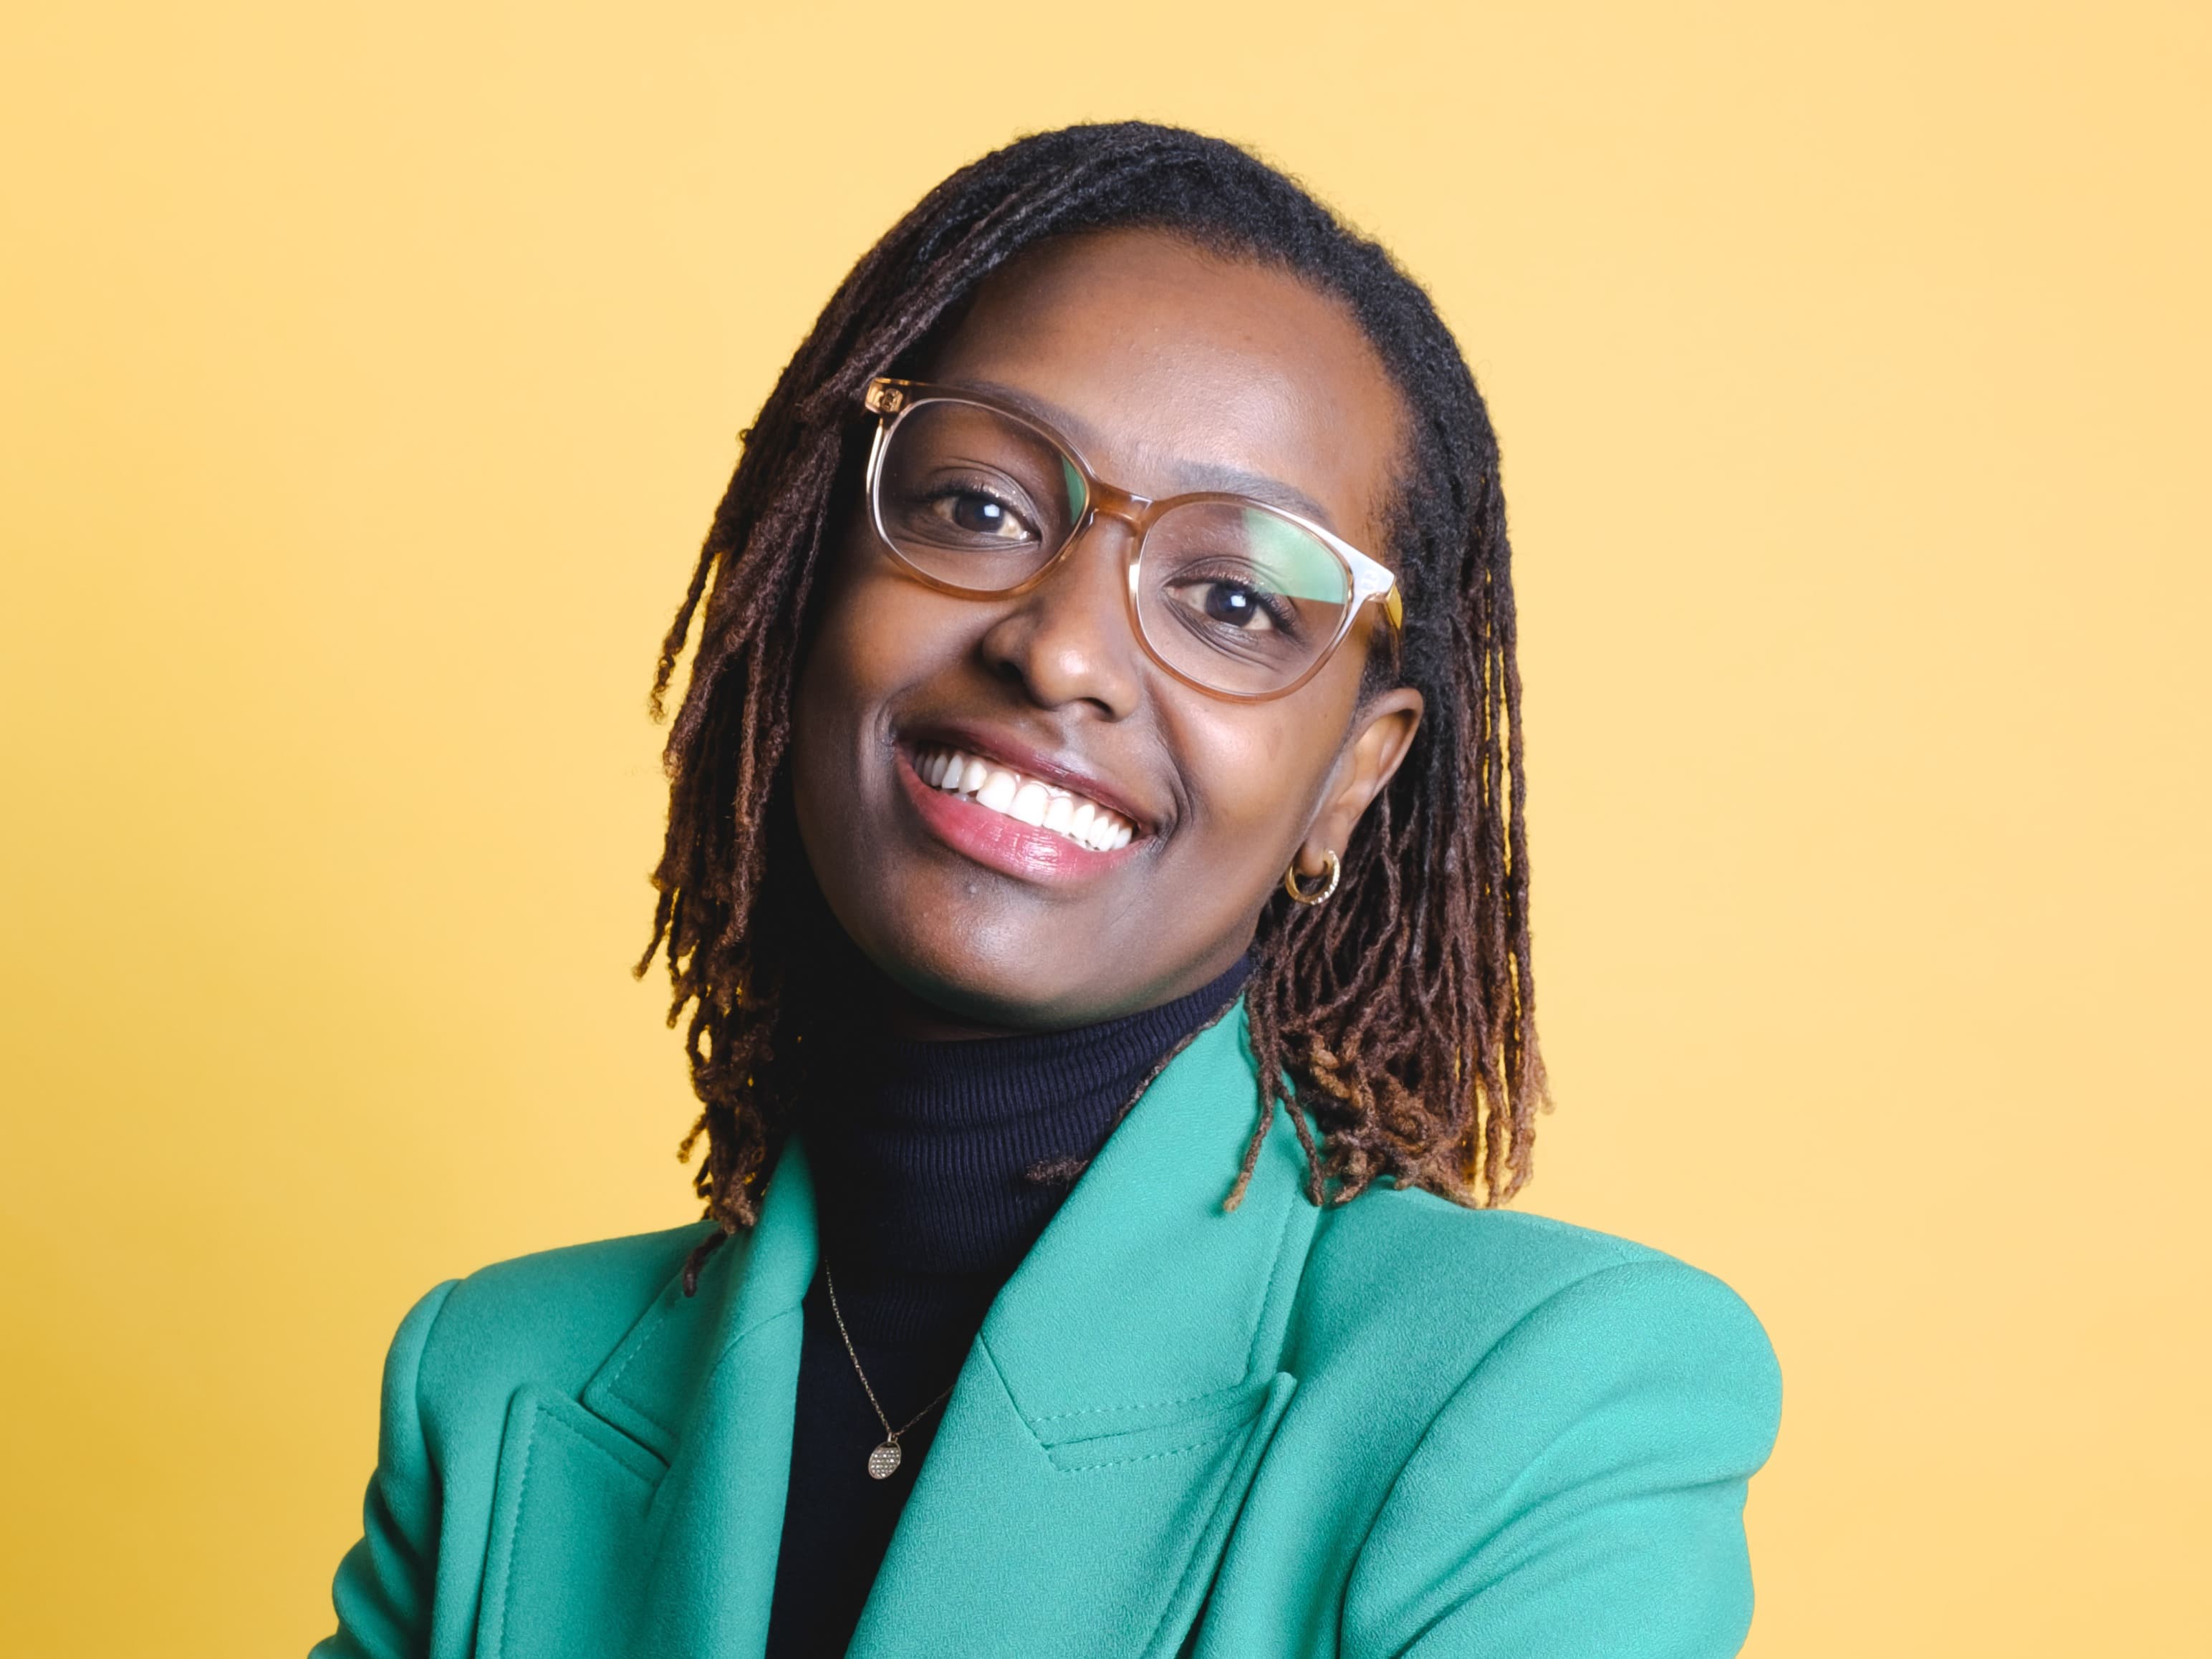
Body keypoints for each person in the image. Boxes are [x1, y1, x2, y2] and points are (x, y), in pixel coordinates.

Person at [314, 122, 1780, 1659]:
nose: (1062, 649)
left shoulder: (1537, 1397)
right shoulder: (491, 1387)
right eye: (981, 508)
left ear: (1349, 772)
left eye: (1231, 600)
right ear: (807, 579)